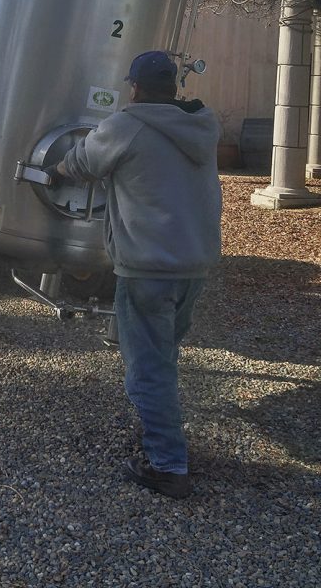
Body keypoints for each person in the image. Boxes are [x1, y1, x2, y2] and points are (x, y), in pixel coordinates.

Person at [49, 50, 222, 500]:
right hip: (193, 265)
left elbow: (83, 163)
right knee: (161, 356)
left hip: (147, 266)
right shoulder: (201, 124)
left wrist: (56, 170)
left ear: (135, 87)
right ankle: (160, 433)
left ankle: (168, 464)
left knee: (148, 368)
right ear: (173, 86)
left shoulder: (126, 125)